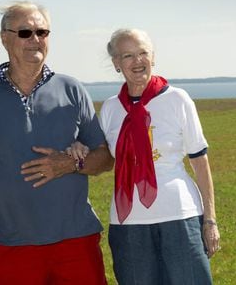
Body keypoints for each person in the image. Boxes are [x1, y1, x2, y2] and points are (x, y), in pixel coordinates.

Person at [0, 1, 113, 285]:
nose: (35, 39)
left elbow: (106, 157)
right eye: (25, 32)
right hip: (9, 247)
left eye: (43, 32)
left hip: (76, 243)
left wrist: (72, 163)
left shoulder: (72, 89)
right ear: (5, 38)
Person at [70, 28, 221, 284]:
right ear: (117, 64)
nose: (137, 61)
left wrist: (210, 220)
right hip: (128, 223)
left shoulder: (177, 99)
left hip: (179, 216)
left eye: (143, 53)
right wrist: (77, 146)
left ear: (153, 57)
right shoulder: (110, 108)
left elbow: (199, 161)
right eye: (128, 55)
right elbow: (99, 152)